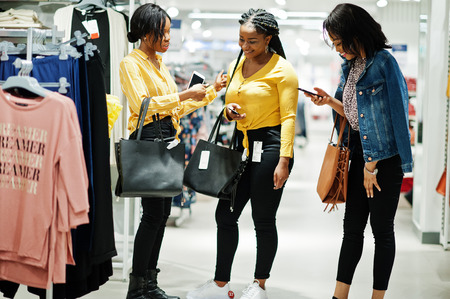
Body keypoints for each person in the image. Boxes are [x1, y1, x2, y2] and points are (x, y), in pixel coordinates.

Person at [303, 4, 413, 299]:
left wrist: (372, 166)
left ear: (356, 34)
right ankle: (339, 295)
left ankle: (377, 297)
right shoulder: (348, 68)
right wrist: (329, 102)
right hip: (358, 157)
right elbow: (356, 116)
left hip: (384, 162)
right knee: (351, 230)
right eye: (335, 44)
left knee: (381, 231)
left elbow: (395, 116)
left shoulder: (384, 63)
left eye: (340, 42)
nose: (338, 49)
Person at [187, 8, 298, 299]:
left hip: (272, 148)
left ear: (268, 39)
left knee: (263, 218)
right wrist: (229, 111)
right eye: (241, 40)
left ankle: (259, 285)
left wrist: (284, 160)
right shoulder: (239, 63)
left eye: (252, 41)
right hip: (244, 147)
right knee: (225, 214)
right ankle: (220, 284)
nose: (245, 47)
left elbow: (288, 118)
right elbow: (230, 103)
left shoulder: (283, 71)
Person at [119, 4, 226, 299]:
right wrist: (183, 94)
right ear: (144, 32)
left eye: (168, 32)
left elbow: (175, 108)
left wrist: (211, 91)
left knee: (161, 213)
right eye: (162, 32)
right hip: (150, 138)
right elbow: (144, 105)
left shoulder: (159, 64)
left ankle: (149, 284)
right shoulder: (132, 63)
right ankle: (137, 287)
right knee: (152, 215)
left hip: (167, 136)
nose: (167, 38)